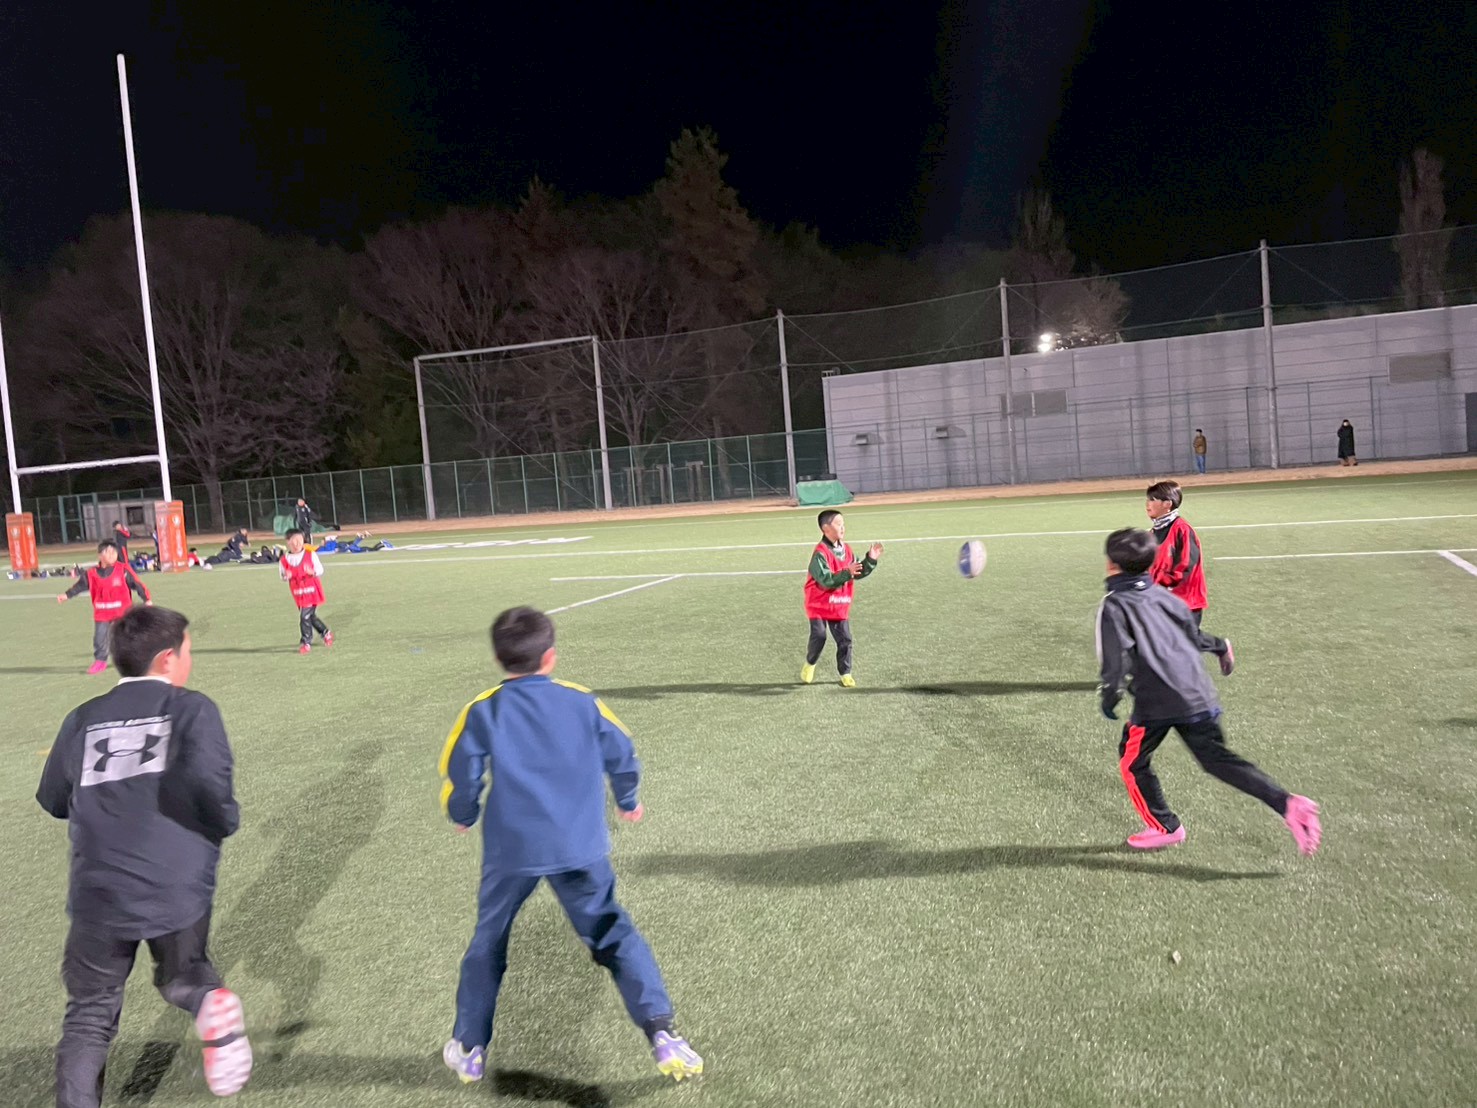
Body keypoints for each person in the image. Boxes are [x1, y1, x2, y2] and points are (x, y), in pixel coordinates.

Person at [438, 606, 702, 1085]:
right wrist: (628, 799)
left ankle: (470, 1048)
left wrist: (463, 813)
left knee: (489, 940)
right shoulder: (582, 701)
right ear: (551, 657)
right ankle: (662, 1031)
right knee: (612, 932)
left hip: (511, 851)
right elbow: (623, 752)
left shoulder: (483, 710)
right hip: (579, 845)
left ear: (498, 660)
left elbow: (462, 769)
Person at [35, 606, 252, 1106]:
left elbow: (52, 798)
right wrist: (223, 823)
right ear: (167, 658)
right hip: (174, 883)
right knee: (183, 974)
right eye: (188, 651)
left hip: (99, 890)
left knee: (89, 1014)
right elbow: (211, 789)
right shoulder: (192, 709)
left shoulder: (82, 719)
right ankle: (207, 1001)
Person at [1096, 528, 1321, 854]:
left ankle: (1165, 827)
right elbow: (1193, 634)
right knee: (1217, 760)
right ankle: (1287, 803)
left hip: (1156, 701)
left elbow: (1115, 660)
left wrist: (1110, 695)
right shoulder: (1167, 598)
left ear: (1111, 564)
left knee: (1132, 761)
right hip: (1198, 693)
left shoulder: (1114, 605)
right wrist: (1219, 647)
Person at [801, 510, 883, 688]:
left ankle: (846, 673)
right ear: (826, 529)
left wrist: (870, 560)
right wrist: (847, 572)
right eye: (838, 524)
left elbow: (856, 572)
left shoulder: (847, 550)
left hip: (838, 603)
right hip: (818, 603)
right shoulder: (820, 553)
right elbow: (826, 580)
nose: (843, 527)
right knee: (819, 635)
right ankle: (810, 663)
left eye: (843, 523)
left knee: (845, 638)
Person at [57, 541, 152, 675]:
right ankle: (100, 661)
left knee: (128, 637)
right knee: (100, 638)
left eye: (114, 552)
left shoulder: (123, 570)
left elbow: (137, 584)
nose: (112, 555)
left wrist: (147, 599)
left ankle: (136, 659)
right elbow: (79, 586)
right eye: (108, 552)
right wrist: (67, 595)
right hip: (102, 613)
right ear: (100, 556)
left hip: (123, 613)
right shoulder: (91, 574)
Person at [1144, 480, 1210, 628]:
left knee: (1181, 642)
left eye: (1152, 500)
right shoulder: (1152, 533)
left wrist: (1160, 585)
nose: (1147, 504)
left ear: (1167, 504)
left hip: (1184, 603)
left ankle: (1218, 643)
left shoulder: (1182, 530)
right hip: (1163, 601)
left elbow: (1186, 565)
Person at [280, 528, 333, 654]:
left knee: (304, 616)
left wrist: (312, 572)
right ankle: (325, 632)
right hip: (298, 593)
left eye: (300, 540)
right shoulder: (284, 559)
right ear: (288, 541)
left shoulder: (310, 554)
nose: (298, 543)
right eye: (294, 540)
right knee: (311, 617)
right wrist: (286, 576)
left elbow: (320, 570)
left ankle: (306, 642)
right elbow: (282, 575)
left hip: (312, 591)